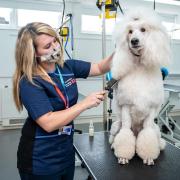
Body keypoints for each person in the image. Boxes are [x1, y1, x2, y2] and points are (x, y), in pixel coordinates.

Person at [13, 22, 113, 180]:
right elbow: (48, 122)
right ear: (34, 53)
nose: (55, 47)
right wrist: (85, 104)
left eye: (55, 41)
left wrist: (122, 48)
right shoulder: (30, 81)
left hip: (65, 152)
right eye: (47, 46)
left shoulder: (67, 67)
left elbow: (100, 68)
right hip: (40, 160)